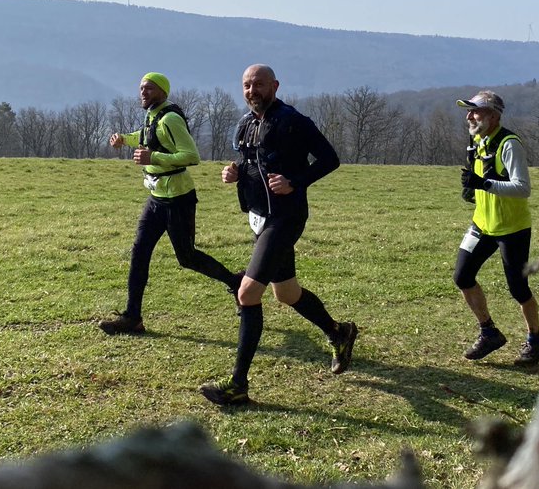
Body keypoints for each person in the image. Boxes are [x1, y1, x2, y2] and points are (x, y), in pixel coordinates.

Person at [199, 64, 358, 406]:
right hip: (260, 218)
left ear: (274, 85)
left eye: (258, 84)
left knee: (247, 293)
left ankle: (238, 385)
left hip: (285, 217)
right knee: (286, 293)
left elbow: (330, 159)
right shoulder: (246, 123)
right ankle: (338, 331)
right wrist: (235, 171)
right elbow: (250, 161)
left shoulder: (293, 120)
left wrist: (295, 182)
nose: (251, 90)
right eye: (246, 85)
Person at [98, 72, 242, 335]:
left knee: (187, 257)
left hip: (178, 199)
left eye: (150, 89)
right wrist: (124, 140)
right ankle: (133, 317)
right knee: (139, 253)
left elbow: (191, 156)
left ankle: (237, 282)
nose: (144, 93)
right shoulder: (153, 115)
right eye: (141, 88)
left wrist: (154, 157)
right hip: (156, 200)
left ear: (163, 92)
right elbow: (145, 134)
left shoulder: (172, 118)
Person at [454, 90, 539, 366]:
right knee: (462, 276)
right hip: (482, 225)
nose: (470, 116)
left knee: (518, 289)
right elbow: (481, 180)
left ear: (493, 116)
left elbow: (523, 188)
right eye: (469, 111)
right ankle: (489, 332)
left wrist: (484, 184)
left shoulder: (509, 144)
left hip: (512, 229)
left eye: (476, 111)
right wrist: (472, 191)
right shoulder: (476, 141)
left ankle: (535, 340)